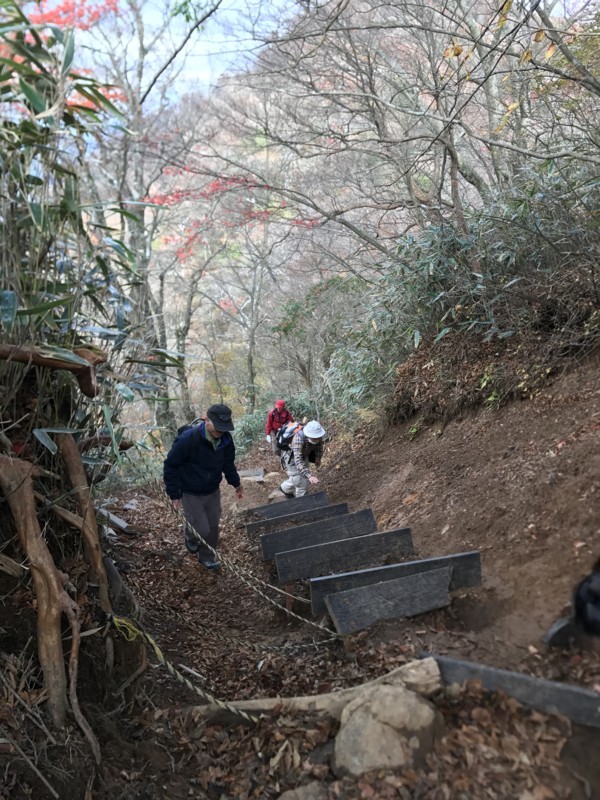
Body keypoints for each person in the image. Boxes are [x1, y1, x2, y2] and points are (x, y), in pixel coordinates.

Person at [163, 404, 243, 570]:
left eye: (223, 428)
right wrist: (174, 493)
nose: (220, 432)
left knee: (212, 528)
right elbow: (171, 465)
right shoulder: (188, 439)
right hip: (190, 491)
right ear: (206, 420)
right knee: (201, 528)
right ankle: (190, 535)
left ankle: (207, 557)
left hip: (212, 489)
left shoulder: (226, 440)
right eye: (217, 428)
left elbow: (228, 464)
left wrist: (236, 483)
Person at [280, 419, 326, 498]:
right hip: (291, 457)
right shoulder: (298, 438)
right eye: (313, 438)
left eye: (317, 438)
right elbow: (298, 460)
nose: (316, 439)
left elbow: (319, 447)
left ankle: (285, 488)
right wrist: (309, 476)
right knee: (301, 482)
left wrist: (318, 459)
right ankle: (303, 502)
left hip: (304, 454)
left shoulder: (319, 436)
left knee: (297, 478)